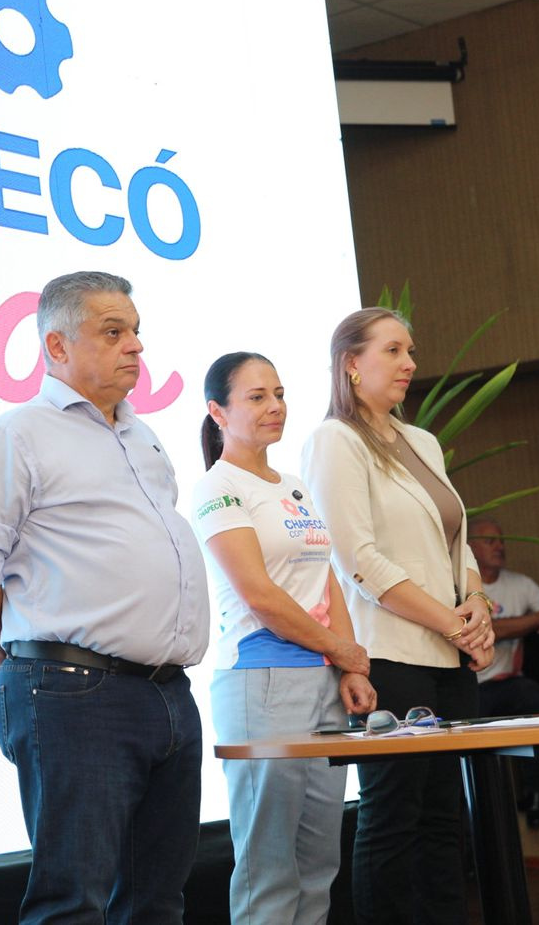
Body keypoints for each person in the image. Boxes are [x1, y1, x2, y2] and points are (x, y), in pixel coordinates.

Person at [0, 271, 210, 924]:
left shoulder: (143, 438)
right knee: (73, 904)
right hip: (74, 694)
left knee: (158, 901)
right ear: (56, 347)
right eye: (113, 332)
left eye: (135, 331)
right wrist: (27, 664)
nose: (135, 346)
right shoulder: (17, 435)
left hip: (168, 694)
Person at [300, 306, 494, 925]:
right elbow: (357, 558)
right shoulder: (334, 440)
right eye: (393, 350)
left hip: (448, 657)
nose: (409, 362)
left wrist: (478, 606)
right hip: (390, 655)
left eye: (410, 350)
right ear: (351, 364)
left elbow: (455, 544)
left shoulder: (423, 442)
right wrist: (454, 623)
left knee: (443, 816)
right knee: (393, 817)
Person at [191, 351, 377, 925]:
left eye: (279, 394)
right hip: (262, 681)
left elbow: (327, 581)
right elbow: (260, 596)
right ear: (217, 412)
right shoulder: (218, 487)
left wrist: (350, 667)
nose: (274, 406)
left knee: (318, 864)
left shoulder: (294, 485)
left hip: (322, 680)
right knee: (268, 866)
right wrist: (341, 650)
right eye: (256, 397)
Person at [468, 515, 539, 828]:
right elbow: (492, 630)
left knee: (532, 698)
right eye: (490, 541)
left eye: (501, 540)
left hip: (507, 683)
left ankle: (537, 793)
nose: (499, 546)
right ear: (470, 549)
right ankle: (482, 811)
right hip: (469, 686)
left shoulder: (519, 584)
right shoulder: (460, 586)